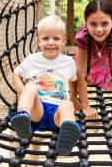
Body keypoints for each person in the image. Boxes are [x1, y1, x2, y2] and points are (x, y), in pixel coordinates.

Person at [10, 16, 81, 156]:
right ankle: (23, 116)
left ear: (63, 41)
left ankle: (67, 136)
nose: (50, 43)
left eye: (56, 38)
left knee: (68, 106)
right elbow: (16, 73)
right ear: (39, 41)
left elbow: (73, 80)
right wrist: (21, 90)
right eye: (45, 38)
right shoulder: (32, 60)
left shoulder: (68, 62)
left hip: (57, 112)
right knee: (30, 87)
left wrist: (74, 97)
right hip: (38, 109)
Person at [70, 0, 112, 132]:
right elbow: (80, 73)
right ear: (85, 22)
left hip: (108, 70)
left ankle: (102, 79)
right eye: (93, 24)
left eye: (105, 23)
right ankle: (73, 98)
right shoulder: (83, 37)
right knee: (70, 71)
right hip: (89, 69)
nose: (99, 29)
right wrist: (86, 106)